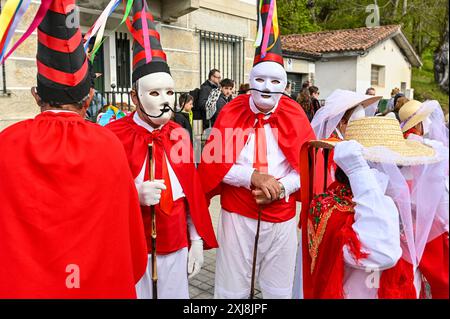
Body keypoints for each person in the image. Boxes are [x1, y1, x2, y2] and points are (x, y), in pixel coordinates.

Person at [0, 0, 148, 298]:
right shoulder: (108, 144)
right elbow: (129, 236)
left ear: (34, 95)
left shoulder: (6, 143)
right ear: (90, 97)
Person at [198, 0, 316, 299]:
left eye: (274, 81)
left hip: (283, 214)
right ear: (249, 82)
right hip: (238, 213)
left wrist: (280, 186)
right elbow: (215, 163)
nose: (266, 87)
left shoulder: (294, 114)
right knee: (232, 287)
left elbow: (308, 166)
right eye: (259, 80)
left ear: (286, 85)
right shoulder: (232, 111)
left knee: (278, 287)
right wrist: (252, 177)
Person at [106, 1, 218, 299]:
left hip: (175, 244)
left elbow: (191, 194)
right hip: (132, 248)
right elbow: (96, 196)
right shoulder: (111, 137)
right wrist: (133, 194)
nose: (165, 100)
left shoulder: (178, 134)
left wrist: (195, 239)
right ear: (134, 96)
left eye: (169, 92)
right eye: (154, 93)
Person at [295, 116, 448, 299]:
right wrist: (360, 175)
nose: (398, 173)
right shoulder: (331, 206)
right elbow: (382, 253)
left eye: (399, 165)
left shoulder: (404, 207)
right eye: (391, 165)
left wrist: (436, 185)